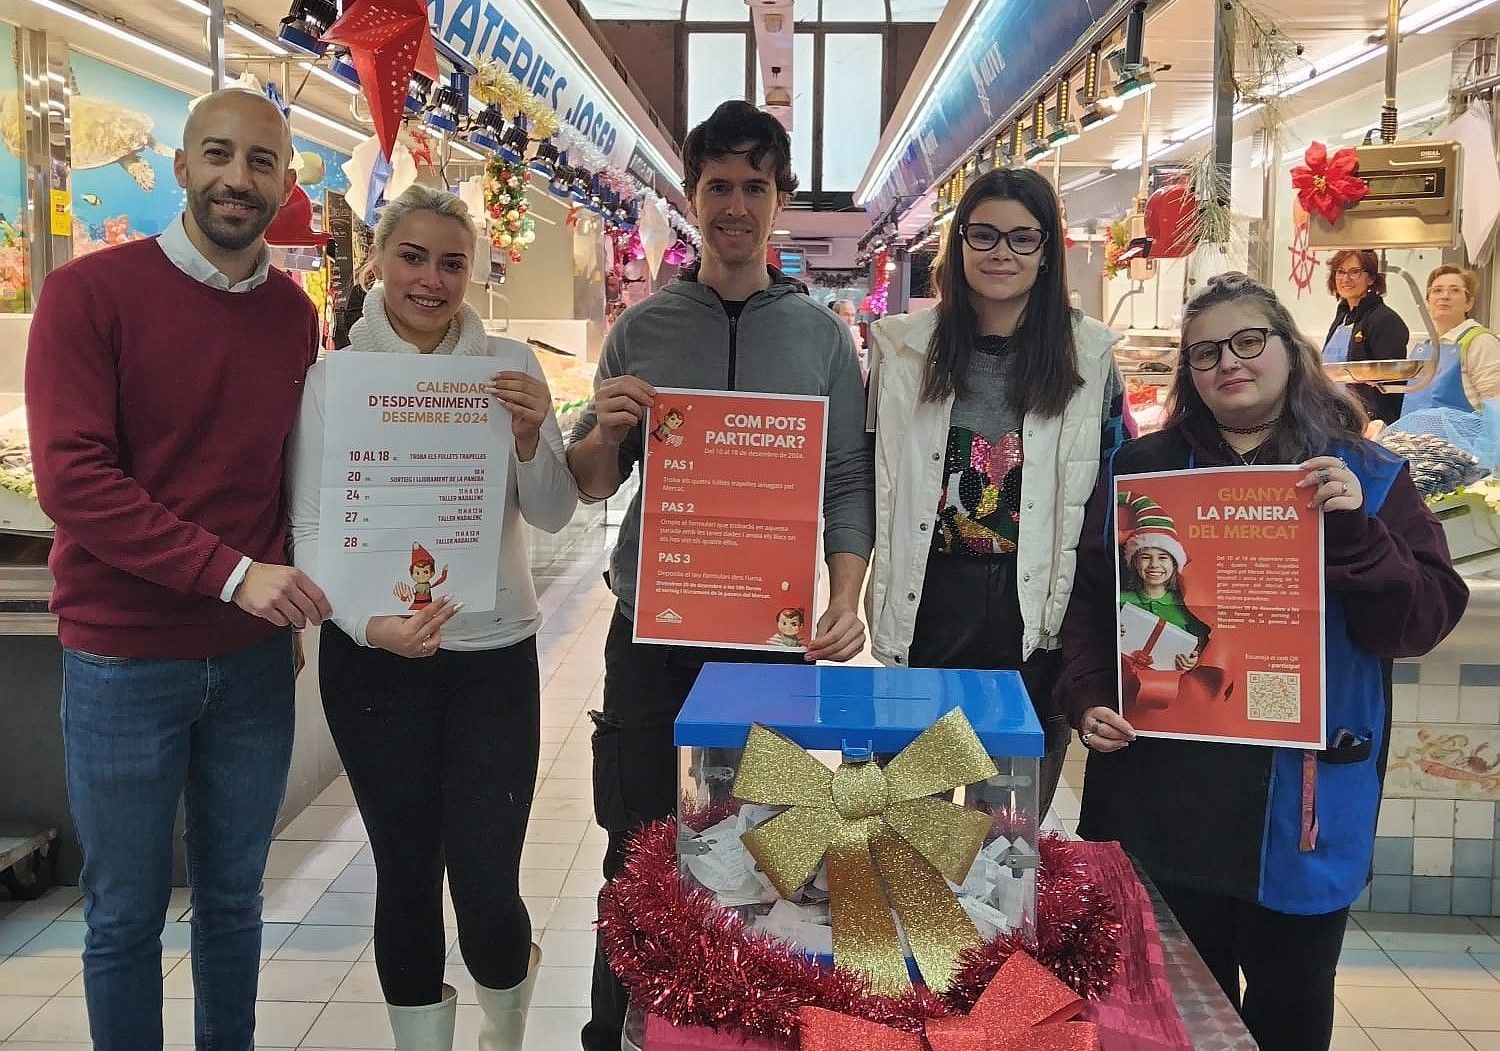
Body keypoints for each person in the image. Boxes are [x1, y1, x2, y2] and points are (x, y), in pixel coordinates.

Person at [1061, 272, 1467, 1051]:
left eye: (1250, 341)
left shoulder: (1364, 474)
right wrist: (1085, 695)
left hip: (1301, 805)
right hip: (1164, 790)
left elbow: (1420, 620)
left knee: (1290, 1004)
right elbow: (1088, 606)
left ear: (1290, 349)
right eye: (1206, 351)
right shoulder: (1140, 472)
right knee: (1170, 1006)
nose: (1229, 362)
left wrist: (1355, 532)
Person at [24, 88, 331, 1051]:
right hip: (123, 659)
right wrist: (238, 575)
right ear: (181, 166)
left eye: (261, 162)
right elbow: (74, 482)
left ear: (283, 183)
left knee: (236, 899)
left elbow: (295, 479)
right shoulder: (87, 296)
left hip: (250, 665)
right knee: (123, 911)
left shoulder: (291, 316)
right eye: (218, 155)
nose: (239, 178)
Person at [567, 99, 873, 1051]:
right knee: (638, 842)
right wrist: (600, 428)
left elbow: (848, 477)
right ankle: (617, 1029)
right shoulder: (643, 329)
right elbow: (590, 485)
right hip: (652, 631)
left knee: (762, 841)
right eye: (717, 186)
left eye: (754, 187)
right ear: (692, 197)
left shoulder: (822, 338)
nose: (734, 205)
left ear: (779, 200)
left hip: (769, 635)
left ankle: (739, 1029)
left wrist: (847, 595)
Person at [286, 185, 577, 1051]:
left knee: (487, 878)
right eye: (413, 256)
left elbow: (556, 510)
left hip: (492, 653)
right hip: (374, 661)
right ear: (378, 259)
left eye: (452, 262)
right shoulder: (334, 379)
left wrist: (530, 440)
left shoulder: (511, 364)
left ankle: (504, 1032)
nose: (431, 278)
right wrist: (364, 623)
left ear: (473, 273)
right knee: (405, 872)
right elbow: (308, 525)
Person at [865, 167, 1126, 820]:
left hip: (1034, 622)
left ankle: (995, 927)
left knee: (1005, 837)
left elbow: (1117, 487)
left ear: (1046, 253)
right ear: (957, 247)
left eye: (1021, 237)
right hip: (927, 611)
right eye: (982, 235)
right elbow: (867, 476)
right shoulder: (903, 351)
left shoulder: (1088, 360)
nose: (1000, 252)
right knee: (902, 823)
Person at [1323, 248, 1410, 426]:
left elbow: (1391, 384)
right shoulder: (1343, 316)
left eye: (1355, 272)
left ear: (1371, 278)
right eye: (1340, 272)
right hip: (1336, 416)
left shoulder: (1385, 320)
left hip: (1370, 423)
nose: (1346, 279)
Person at [1403, 264, 1500, 414]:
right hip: (1420, 434)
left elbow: (1495, 404)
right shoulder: (1425, 347)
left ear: (1469, 303)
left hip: (1466, 436)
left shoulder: (1481, 341)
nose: (1445, 296)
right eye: (1437, 290)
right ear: (1427, 302)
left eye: (1455, 290)